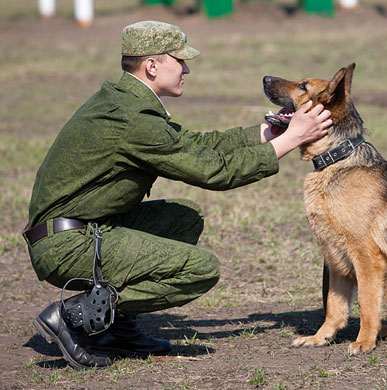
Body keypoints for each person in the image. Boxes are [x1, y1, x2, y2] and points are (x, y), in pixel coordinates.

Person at [23, 21, 332, 369]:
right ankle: (74, 316)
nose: (186, 68)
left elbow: (196, 146)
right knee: (200, 270)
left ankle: (112, 329)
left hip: (81, 229)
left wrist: (270, 131)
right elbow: (212, 171)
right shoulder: (134, 118)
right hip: (66, 245)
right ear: (152, 66)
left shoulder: (127, 102)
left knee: (183, 219)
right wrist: (290, 140)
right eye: (179, 60)